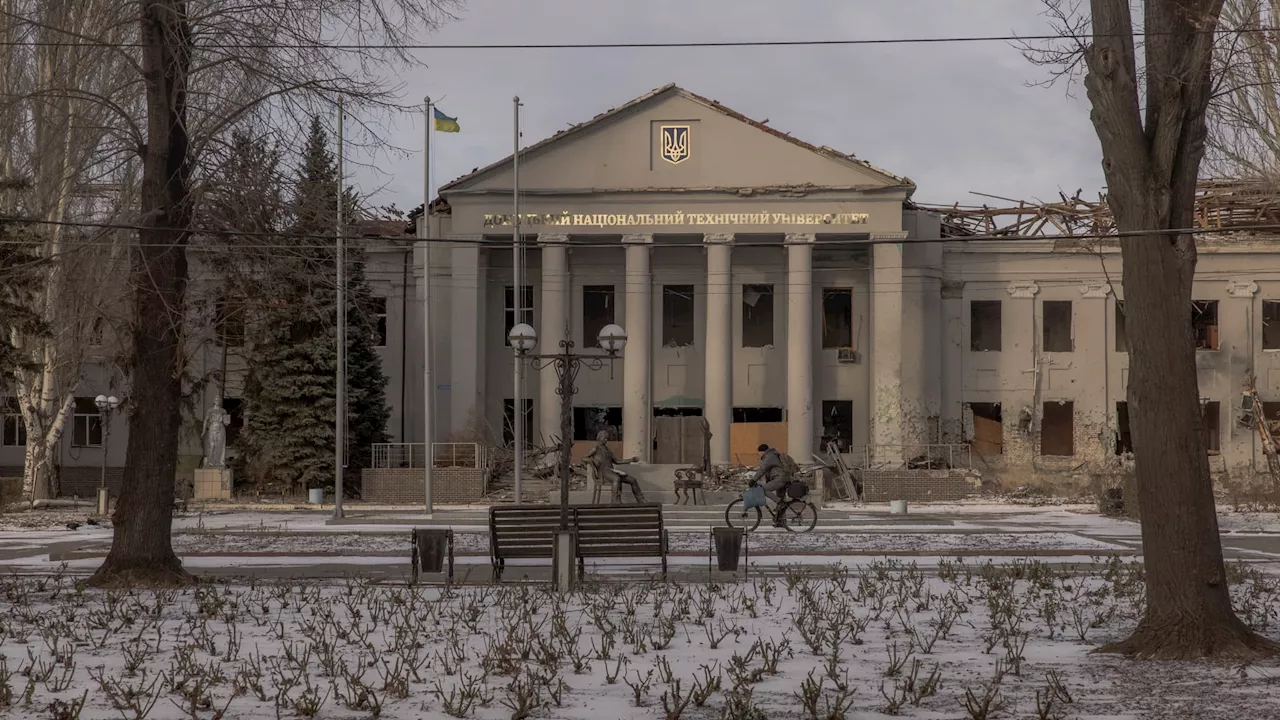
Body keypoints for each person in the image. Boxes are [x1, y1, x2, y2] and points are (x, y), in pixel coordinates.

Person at [586, 431, 645, 503]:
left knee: (632, 480)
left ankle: (640, 499)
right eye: (604, 438)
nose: (606, 440)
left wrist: (631, 459)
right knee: (616, 479)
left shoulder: (608, 450)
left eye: (607, 438)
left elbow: (617, 461)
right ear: (599, 438)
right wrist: (593, 460)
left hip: (611, 471)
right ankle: (615, 501)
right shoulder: (596, 448)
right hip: (603, 473)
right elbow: (584, 458)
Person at [753, 443, 792, 526]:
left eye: (759, 452)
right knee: (781, 499)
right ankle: (781, 522)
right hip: (784, 478)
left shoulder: (769, 457)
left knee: (763, 489)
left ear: (763, 451)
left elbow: (762, 470)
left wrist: (753, 480)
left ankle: (780, 503)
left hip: (780, 479)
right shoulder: (773, 455)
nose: (759, 454)